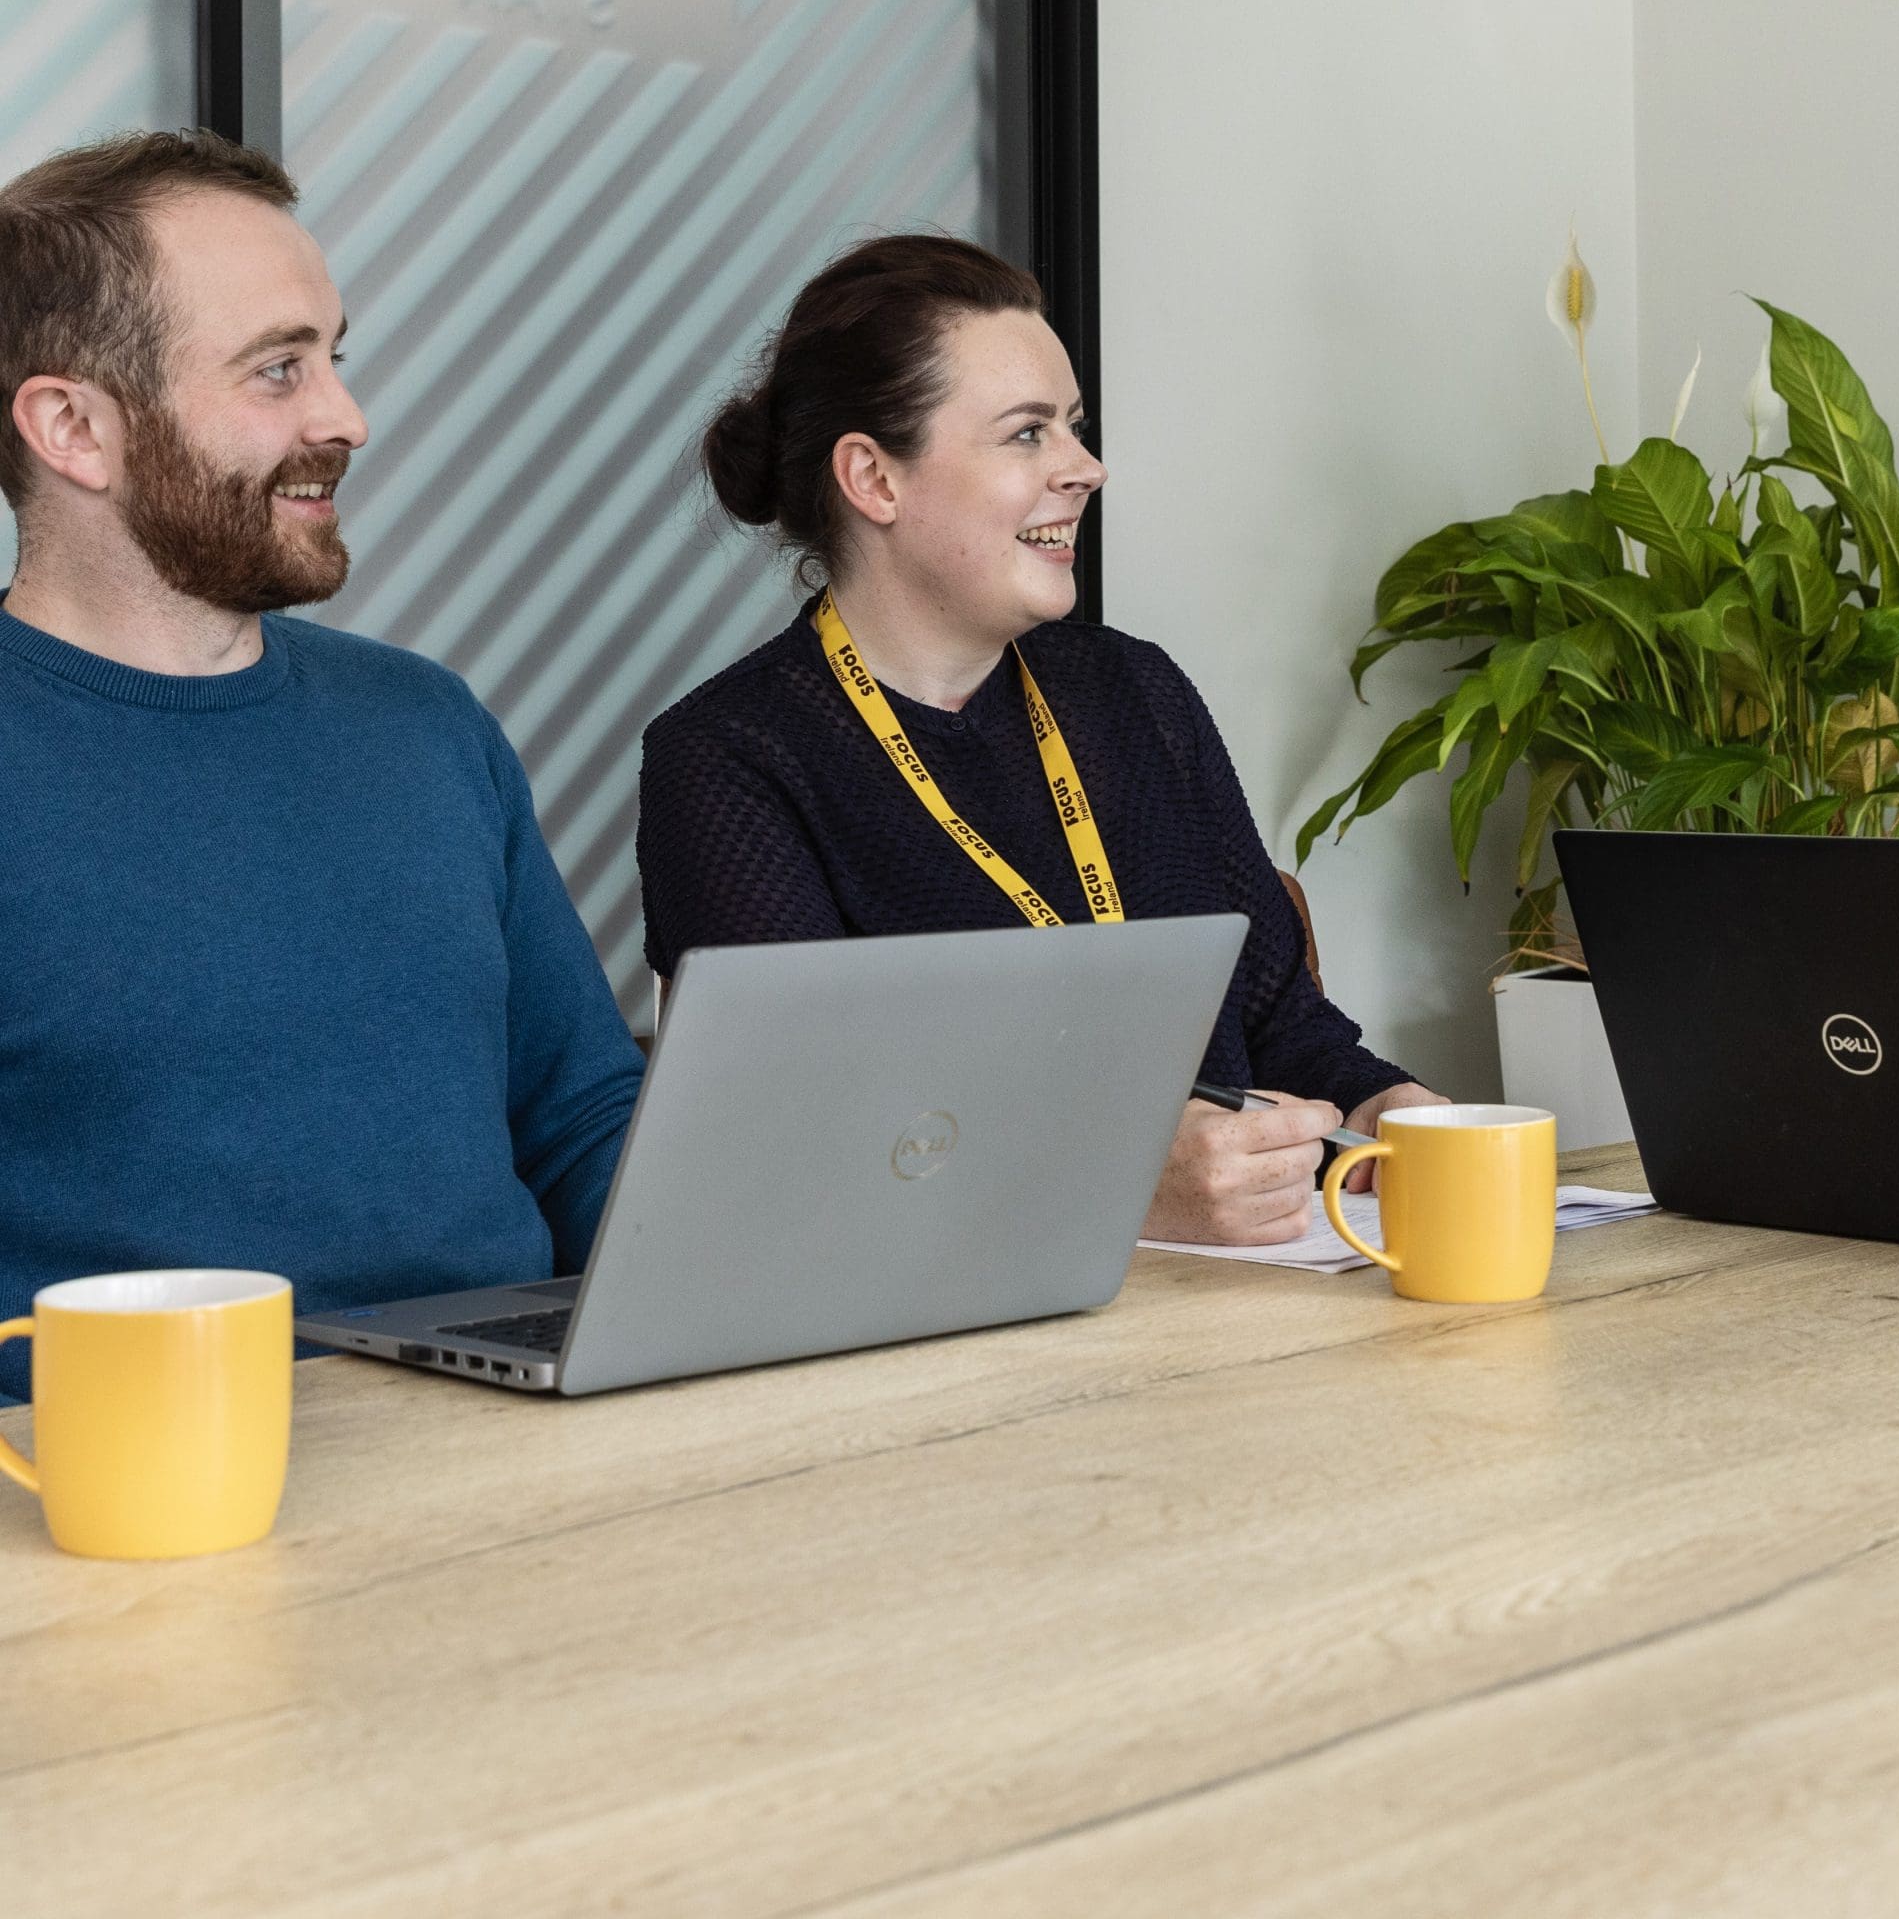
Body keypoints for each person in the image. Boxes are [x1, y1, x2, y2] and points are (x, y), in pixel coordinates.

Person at [637, 236, 1443, 1246]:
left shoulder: (1132, 693)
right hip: (951, 1351)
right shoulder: (730, 758)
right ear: (874, 480)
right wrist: (1127, 1186)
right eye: (1027, 434)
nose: (1085, 468)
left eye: (1074, 427)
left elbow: (1277, 1017)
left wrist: (1386, 1107)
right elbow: (804, 1147)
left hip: (1239, 1314)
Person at [0, 130, 640, 1397]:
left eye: (332, 360)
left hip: (521, 1437)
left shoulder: (427, 723)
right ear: (74, 425)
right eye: (276, 370)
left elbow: (580, 1116)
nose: (345, 418)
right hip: (145, 1484)